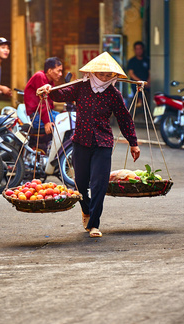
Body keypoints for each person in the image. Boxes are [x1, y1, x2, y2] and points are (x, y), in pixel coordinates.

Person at [38, 51, 140, 238]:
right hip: (81, 141)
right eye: (101, 74)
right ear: (92, 73)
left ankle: (94, 224)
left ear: (113, 76)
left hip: (103, 143)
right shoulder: (81, 87)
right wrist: (48, 90)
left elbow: (124, 119)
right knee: (80, 183)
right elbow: (60, 94)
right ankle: (86, 210)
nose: (104, 78)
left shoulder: (114, 94)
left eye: (108, 75)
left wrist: (133, 143)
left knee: (99, 184)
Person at [24, 57, 63, 135]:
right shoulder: (40, 76)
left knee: (67, 120)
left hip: (47, 113)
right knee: (62, 125)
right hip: (36, 116)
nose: (60, 74)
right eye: (58, 71)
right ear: (49, 70)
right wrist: (47, 122)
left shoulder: (51, 81)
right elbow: (43, 102)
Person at [127, 41, 150, 105]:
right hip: (136, 84)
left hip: (147, 84)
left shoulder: (147, 60)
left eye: (140, 48)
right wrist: (140, 81)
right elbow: (131, 74)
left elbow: (150, 71)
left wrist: (148, 81)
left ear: (143, 49)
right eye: (137, 49)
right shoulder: (132, 61)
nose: (139, 51)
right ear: (134, 50)